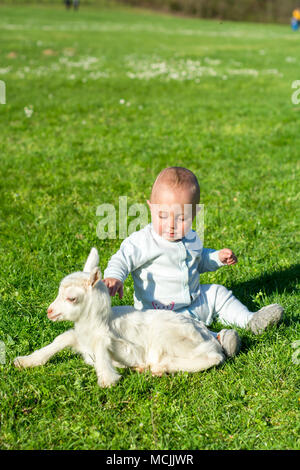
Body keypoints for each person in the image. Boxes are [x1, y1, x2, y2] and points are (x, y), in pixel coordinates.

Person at [103, 167, 284, 354]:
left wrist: (216, 258)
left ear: (195, 213)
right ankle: (218, 340)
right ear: (151, 207)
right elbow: (122, 259)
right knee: (180, 329)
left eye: (181, 218)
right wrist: (114, 277)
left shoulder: (191, 238)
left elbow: (199, 260)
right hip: (159, 313)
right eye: (162, 215)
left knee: (217, 293)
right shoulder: (142, 242)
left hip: (195, 301)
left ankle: (250, 321)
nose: (171, 224)